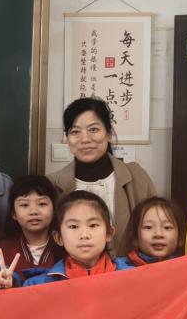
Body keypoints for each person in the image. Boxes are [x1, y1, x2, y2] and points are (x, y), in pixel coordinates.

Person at [48, 97, 154, 256]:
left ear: (109, 133)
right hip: (71, 271)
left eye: (93, 130)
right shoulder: (52, 184)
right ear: (67, 138)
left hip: (131, 270)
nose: (85, 139)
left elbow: (154, 229)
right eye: (75, 132)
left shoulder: (136, 177)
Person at [26, 190, 125, 283]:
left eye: (93, 225)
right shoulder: (38, 285)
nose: (84, 235)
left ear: (108, 233)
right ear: (59, 238)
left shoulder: (129, 276)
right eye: (73, 226)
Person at [0, 174, 61, 278]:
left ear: (54, 210)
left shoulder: (67, 247)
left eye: (42, 204)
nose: (33, 211)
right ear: (14, 213)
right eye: (24, 205)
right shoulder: (1, 250)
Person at [115, 196, 185, 269]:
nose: (158, 234)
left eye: (167, 227)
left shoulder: (186, 268)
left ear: (180, 238)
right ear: (135, 238)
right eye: (148, 227)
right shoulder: (121, 269)